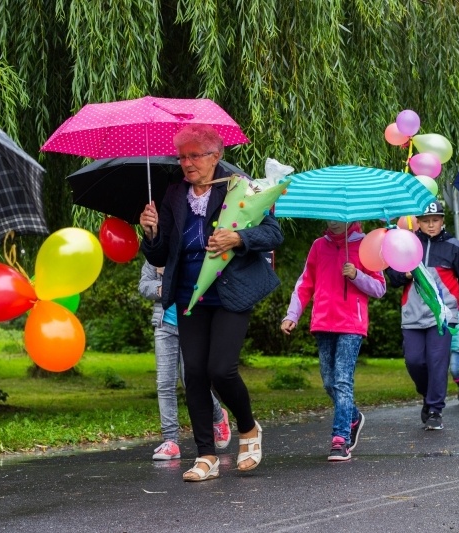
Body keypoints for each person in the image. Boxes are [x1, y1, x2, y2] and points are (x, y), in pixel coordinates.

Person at [139, 124, 283, 482]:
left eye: (194, 156)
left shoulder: (239, 186)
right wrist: (151, 232)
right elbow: (163, 252)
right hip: (189, 296)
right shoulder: (174, 193)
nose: (186, 163)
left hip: (228, 292)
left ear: (216, 155)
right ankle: (206, 455)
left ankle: (249, 429)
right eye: (182, 156)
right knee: (196, 376)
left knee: (221, 369)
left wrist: (238, 237)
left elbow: (273, 233)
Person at [280, 220, 386, 461]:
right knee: (329, 382)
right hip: (323, 322)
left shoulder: (366, 246)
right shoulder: (319, 246)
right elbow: (304, 283)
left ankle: (341, 439)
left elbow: (380, 288)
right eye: (329, 219)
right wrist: (292, 315)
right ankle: (353, 417)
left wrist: (357, 275)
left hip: (352, 324)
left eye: (339, 219)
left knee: (342, 380)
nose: (334, 223)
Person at [386, 200, 459, 430]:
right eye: (426, 221)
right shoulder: (408, 244)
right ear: (418, 222)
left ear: (443, 221)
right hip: (412, 314)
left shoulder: (454, 246)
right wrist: (406, 275)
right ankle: (427, 392)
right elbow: (391, 276)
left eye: (435, 220)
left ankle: (435, 410)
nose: (431, 225)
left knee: (438, 362)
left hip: (443, 316)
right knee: (414, 361)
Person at [138, 261, 231, 460]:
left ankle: (217, 416)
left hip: (193, 322)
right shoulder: (156, 256)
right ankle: (170, 441)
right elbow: (144, 285)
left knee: (192, 380)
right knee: (164, 384)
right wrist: (163, 286)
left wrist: (173, 274)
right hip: (165, 325)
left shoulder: (191, 251)